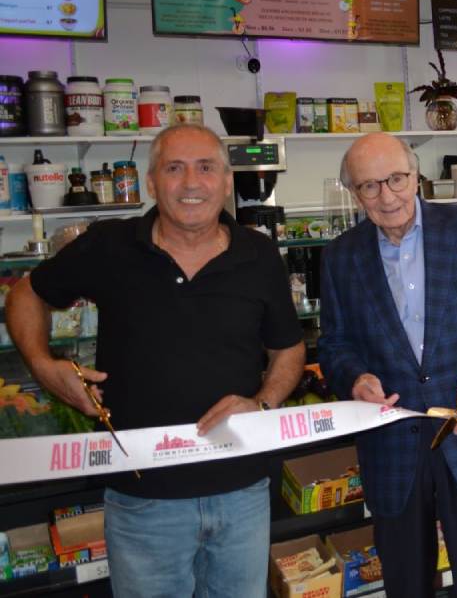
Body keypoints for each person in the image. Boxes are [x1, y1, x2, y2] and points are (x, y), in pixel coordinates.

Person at [5, 124, 306, 597]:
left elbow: (288, 348)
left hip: (242, 492)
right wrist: (44, 367)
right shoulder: (110, 245)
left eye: (206, 168)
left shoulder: (260, 254)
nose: (191, 183)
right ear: (151, 182)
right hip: (143, 500)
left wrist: (265, 402)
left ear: (226, 181)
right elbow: (26, 295)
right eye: (174, 168)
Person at [318, 132, 457, 597]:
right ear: (354, 193)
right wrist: (354, 378)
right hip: (393, 448)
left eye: (396, 179)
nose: (388, 196)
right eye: (370, 186)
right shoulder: (340, 256)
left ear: (416, 176)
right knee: (406, 584)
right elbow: (333, 343)